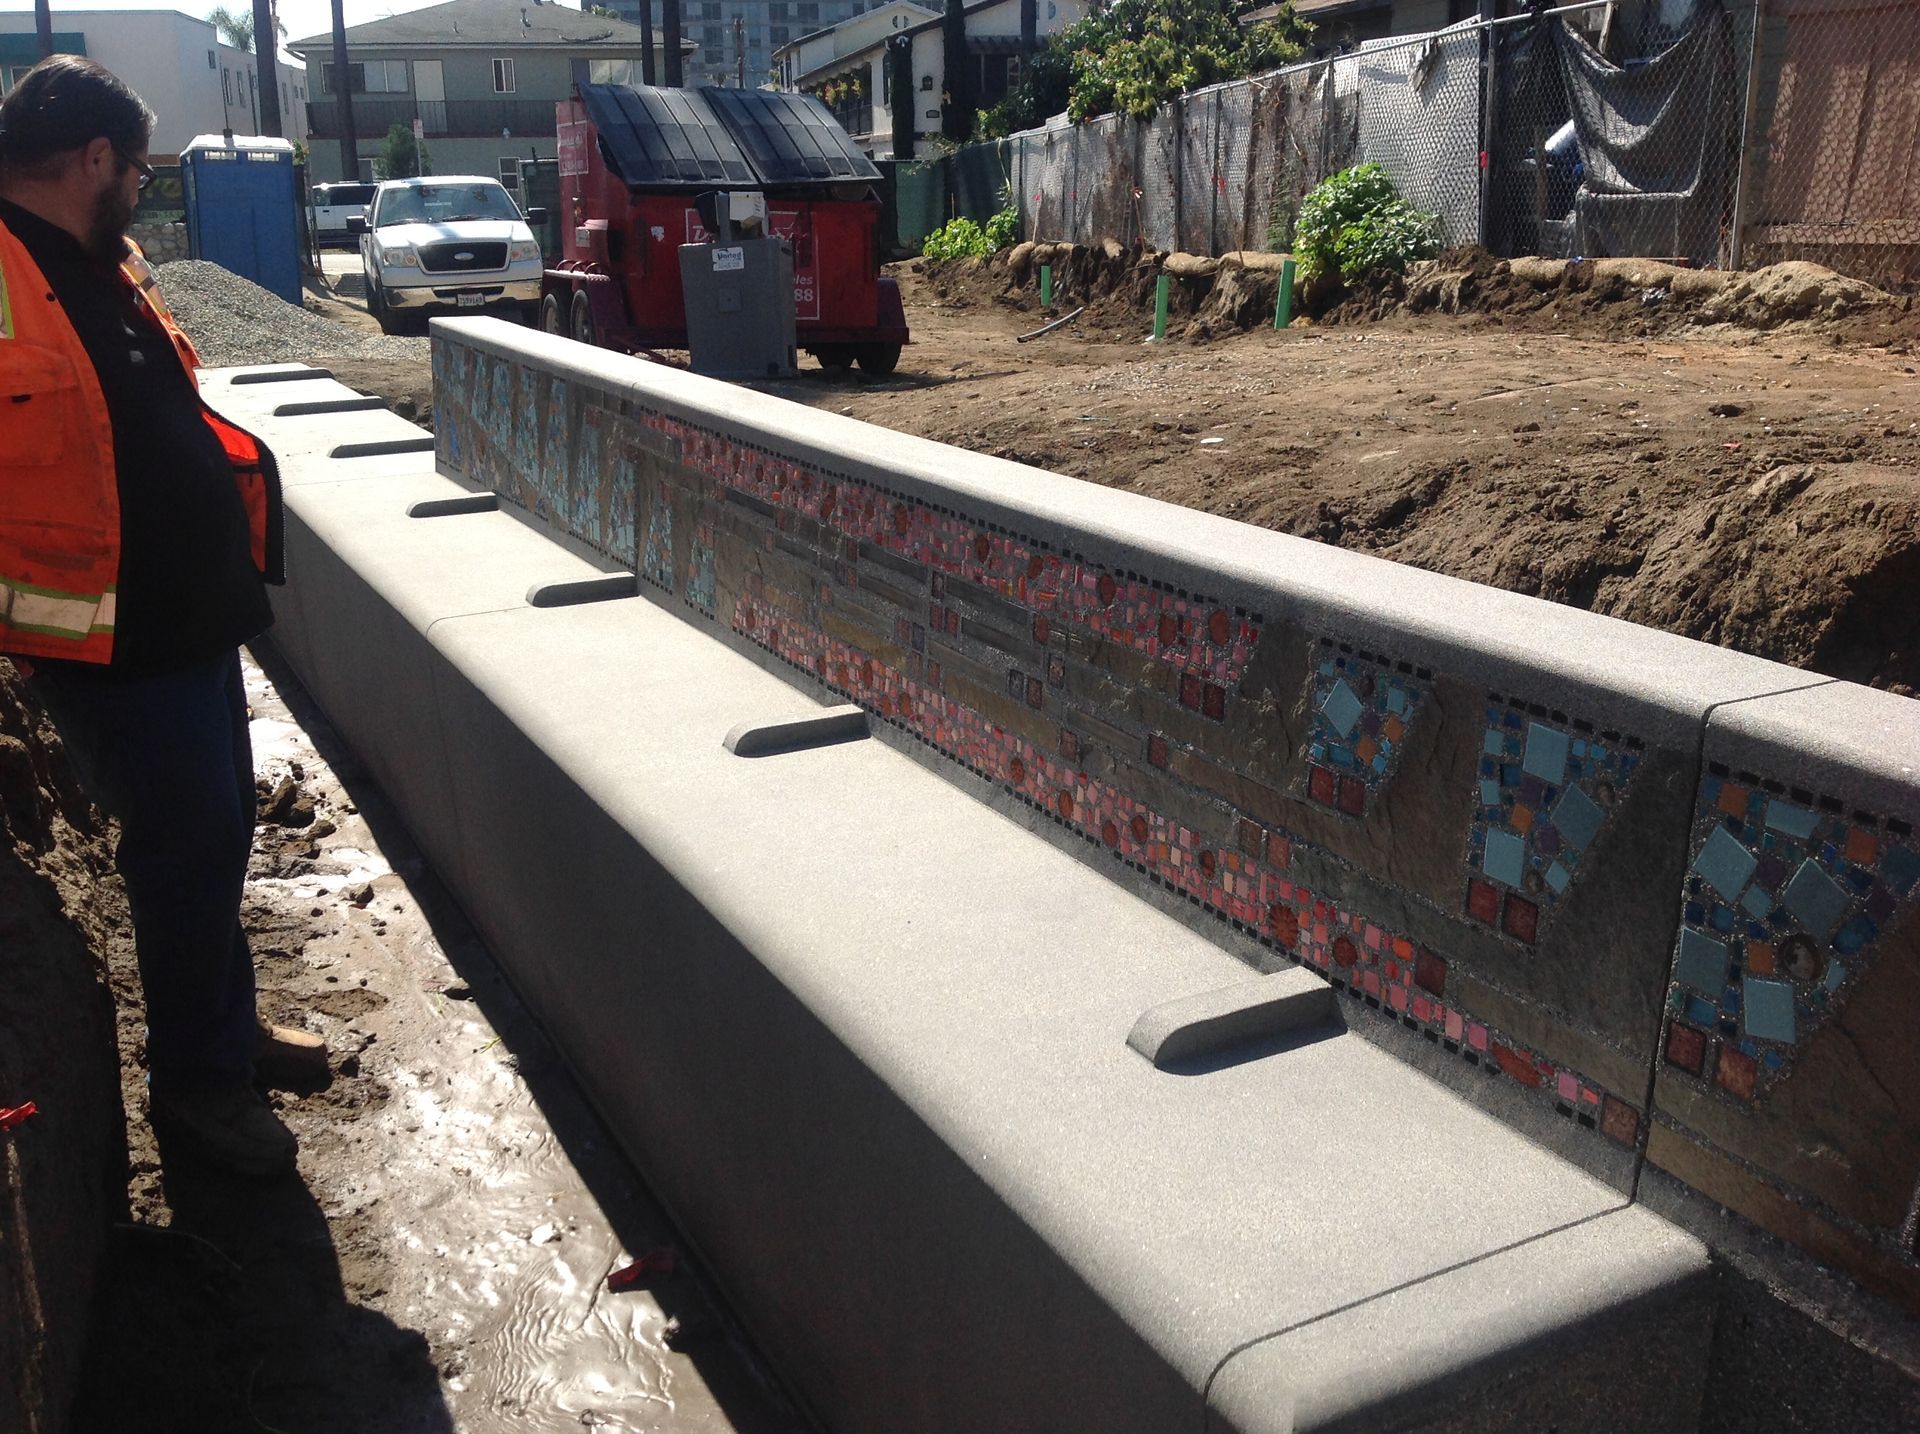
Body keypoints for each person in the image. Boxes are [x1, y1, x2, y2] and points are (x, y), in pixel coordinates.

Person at [0, 56, 325, 1176]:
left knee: (215, 836)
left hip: (180, 617)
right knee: (183, 854)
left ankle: (222, 1033)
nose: (139, 189)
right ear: (93, 160)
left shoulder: (95, 264)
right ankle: (197, 1088)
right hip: (104, 637)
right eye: (134, 169)